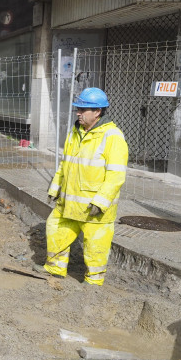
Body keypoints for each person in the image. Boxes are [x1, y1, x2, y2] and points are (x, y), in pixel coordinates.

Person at [35, 87, 128, 286]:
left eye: (83, 109)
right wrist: (55, 188)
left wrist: (101, 202)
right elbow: (65, 164)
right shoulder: (75, 132)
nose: (78, 112)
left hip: (93, 208)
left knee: (95, 245)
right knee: (56, 229)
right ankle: (55, 268)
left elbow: (116, 175)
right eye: (78, 108)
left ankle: (93, 282)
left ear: (98, 112)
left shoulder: (113, 136)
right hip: (68, 202)